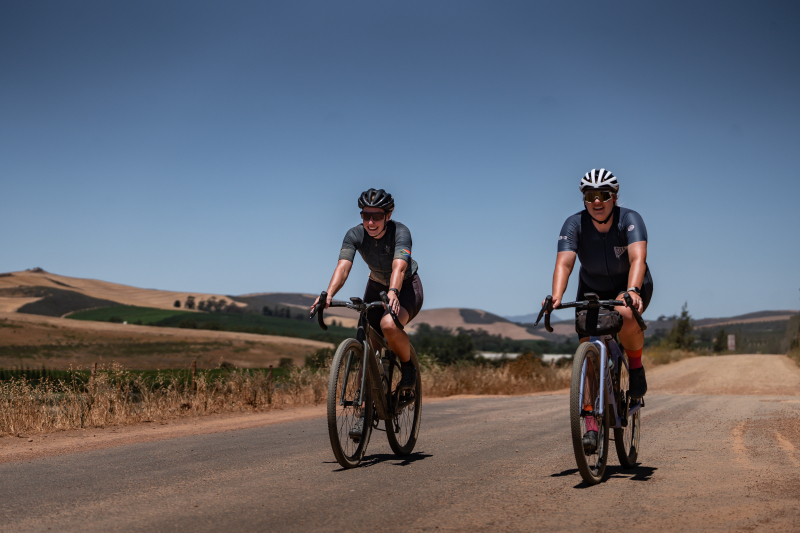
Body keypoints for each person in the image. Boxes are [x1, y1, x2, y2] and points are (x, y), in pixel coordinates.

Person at [546, 168, 653, 453]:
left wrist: (632, 291)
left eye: (603, 195)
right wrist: (556, 296)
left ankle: (635, 365)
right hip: (591, 290)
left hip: (629, 284)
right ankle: (591, 422)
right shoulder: (574, 224)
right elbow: (565, 264)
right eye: (590, 195)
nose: (596, 201)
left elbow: (637, 259)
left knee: (627, 314)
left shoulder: (629, 220)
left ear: (614, 197)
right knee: (587, 347)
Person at [311, 188, 424, 440]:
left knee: (388, 325)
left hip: (405, 288)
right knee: (366, 344)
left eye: (377, 216)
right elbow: (343, 267)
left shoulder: (401, 232)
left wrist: (394, 291)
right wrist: (328, 293)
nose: (370, 222)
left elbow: (399, 265)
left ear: (388, 215)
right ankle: (364, 412)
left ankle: (408, 369)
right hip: (375, 286)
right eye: (365, 215)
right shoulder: (354, 235)